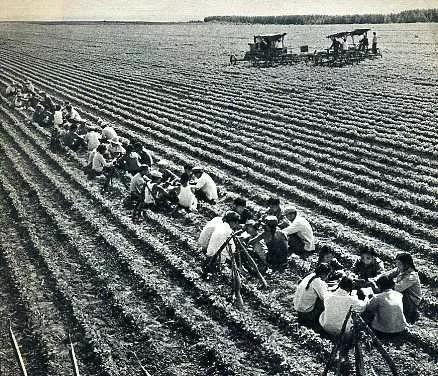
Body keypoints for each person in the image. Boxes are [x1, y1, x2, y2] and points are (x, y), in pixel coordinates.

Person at [380, 253, 421, 324]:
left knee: (388, 293)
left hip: (411, 301)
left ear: (406, 264)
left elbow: (397, 288)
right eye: (397, 263)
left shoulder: (412, 276)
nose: (397, 266)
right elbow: (386, 274)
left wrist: (385, 284)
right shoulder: (400, 269)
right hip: (403, 295)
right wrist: (376, 279)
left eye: (399, 264)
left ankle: (409, 314)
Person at [294, 263, 330, 328]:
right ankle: (319, 322)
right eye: (327, 275)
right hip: (306, 312)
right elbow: (325, 297)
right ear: (324, 274)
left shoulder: (310, 276)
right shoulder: (318, 282)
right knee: (325, 302)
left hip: (298, 308)